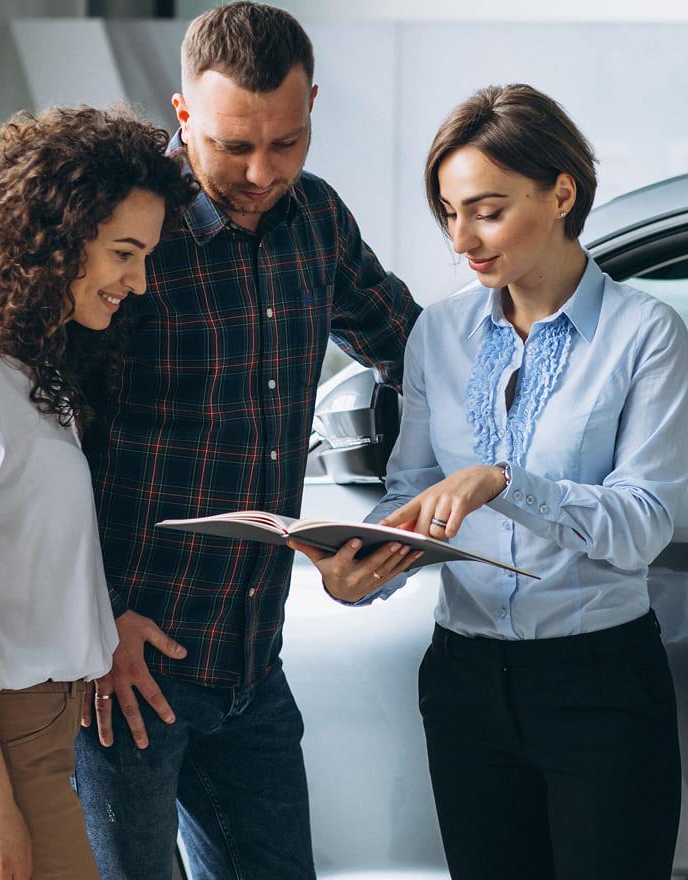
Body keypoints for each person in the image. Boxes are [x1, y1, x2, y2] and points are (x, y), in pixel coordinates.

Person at [291, 84, 688, 879]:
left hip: (599, 686)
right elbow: (410, 489)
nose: (462, 240)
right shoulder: (438, 334)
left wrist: (501, 481)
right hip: (464, 682)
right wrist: (358, 575)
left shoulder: (645, 334)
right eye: (449, 213)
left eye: (486, 210)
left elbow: (642, 524)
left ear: (561, 193)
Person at [73, 4, 421, 878]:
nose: (264, 172)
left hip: (253, 662)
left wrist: (393, 524)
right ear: (183, 115)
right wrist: (90, 621)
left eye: (288, 142)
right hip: (128, 668)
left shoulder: (319, 220)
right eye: (234, 147)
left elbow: (418, 358)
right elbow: (43, 445)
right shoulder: (127, 234)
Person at [0, 105, 196, 880]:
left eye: (147, 256)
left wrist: (95, 617)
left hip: (34, 733)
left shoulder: (32, 371)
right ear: (57, 237)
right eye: (125, 253)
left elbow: (21, 549)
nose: (139, 281)